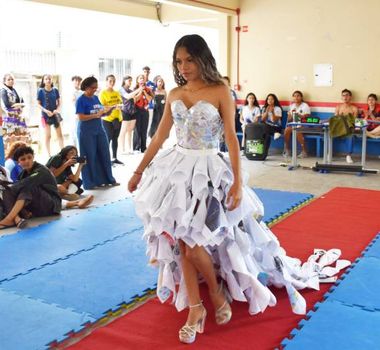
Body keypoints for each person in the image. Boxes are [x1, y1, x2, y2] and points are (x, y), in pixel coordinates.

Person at [128, 34, 343, 344]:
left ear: (202, 59)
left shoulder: (220, 91)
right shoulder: (174, 93)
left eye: (189, 59)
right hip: (175, 174)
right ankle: (198, 306)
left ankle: (214, 293)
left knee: (192, 243)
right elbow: (160, 137)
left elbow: (231, 137)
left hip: (209, 173)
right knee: (182, 244)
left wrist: (239, 184)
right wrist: (138, 171)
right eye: (179, 61)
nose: (184, 66)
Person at [0, 146, 93, 229]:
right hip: (36, 207)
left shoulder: (41, 170)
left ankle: (10, 218)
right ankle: (16, 219)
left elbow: (24, 184)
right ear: (18, 162)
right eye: (23, 159)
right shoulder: (22, 174)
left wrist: (8, 187)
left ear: (33, 157)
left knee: (27, 187)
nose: (27, 161)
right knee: (6, 191)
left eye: (29, 157)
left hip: (51, 206)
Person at [76, 76, 119, 190]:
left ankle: (107, 179)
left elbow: (100, 113)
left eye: (96, 87)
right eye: (92, 88)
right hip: (86, 131)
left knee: (104, 153)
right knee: (89, 155)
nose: (95, 90)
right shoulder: (81, 100)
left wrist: (108, 111)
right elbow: (81, 117)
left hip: (99, 129)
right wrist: (95, 115)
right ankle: (90, 182)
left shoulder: (95, 98)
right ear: (86, 87)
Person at [37, 74, 64, 156]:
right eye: (46, 79)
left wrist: (57, 110)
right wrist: (46, 111)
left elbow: (59, 102)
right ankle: (49, 155)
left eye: (49, 79)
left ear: (51, 80)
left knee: (60, 135)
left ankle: (63, 152)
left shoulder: (55, 90)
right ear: (43, 81)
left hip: (55, 115)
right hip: (45, 116)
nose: (48, 80)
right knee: (48, 136)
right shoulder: (40, 91)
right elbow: (38, 104)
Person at [99, 75, 124, 165]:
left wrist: (119, 106)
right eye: (110, 81)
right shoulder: (103, 93)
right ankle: (106, 160)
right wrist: (113, 107)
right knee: (107, 139)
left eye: (113, 81)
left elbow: (121, 103)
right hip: (108, 119)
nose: (112, 83)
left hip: (118, 118)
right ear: (106, 81)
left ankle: (114, 158)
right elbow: (101, 107)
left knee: (115, 139)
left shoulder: (117, 92)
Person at [0, 74, 30, 148]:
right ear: (4, 81)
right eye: (8, 79)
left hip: (18, 117)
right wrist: (17, 105)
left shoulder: (16, 90)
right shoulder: (3, 91)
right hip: (9, 118)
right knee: (10, 137)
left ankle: (20, 153)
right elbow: (7, 104)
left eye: (12, 79)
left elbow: (22, 101)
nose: (11, 81)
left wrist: (20, 106)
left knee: (21, 136)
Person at [283, 91, 311, 158]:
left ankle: (304, 152)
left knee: (298, 130)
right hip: (294, 124)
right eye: (294, 96)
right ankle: (287, 150)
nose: (296, 97)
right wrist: (290, 115)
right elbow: (289, 120)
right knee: (287, 130)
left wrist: (300, 116)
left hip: (303, 124)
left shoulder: (305, 105)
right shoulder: (291, 106)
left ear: (301, 97)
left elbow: (307, 117)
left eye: (298, 96)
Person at [334, 89, 358, 164]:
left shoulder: (354, 108)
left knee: (350, 135)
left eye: (347, 95)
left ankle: (348, 155)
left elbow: (354, 121)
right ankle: (328, 153)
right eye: (343, 95)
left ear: (350, 97)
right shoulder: (338, 107)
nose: (345, 97)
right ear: (341, 97)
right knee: (328, 133)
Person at [132, 74, 153, 153]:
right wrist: (140, 91)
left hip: (145, 110)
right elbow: (135, 100)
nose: (142, 80)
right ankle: (136, 147)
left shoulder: (148, 89)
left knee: (144, 129)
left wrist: (145, 91)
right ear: (137, 80)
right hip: (137, 110)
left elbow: (150, 99)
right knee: (137, 129)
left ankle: (143, 147)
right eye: (140, 78)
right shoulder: (134, 89)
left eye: (143, 78)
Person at [119, 75, 140, 154]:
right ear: (124, 81)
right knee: (123, 130)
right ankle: (122, 149)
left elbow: (135, 99)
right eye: (129, 81)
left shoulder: (131, 90)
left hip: (133, 111)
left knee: (130, 130)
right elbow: (127, 97)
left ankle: (129, 148)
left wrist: (141, 91)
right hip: (125, 111)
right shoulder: (121, 90)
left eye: (131, 81)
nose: (130, 82)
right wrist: (138, 90)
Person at [70, 76, 83, 147]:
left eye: (79, 81)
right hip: (74, 115)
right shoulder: (71, 91)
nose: (77, 82)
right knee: (74, 133)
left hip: (82, 115)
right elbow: (74, 103)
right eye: (76, 81)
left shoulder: (82, 92)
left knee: (80, 133)